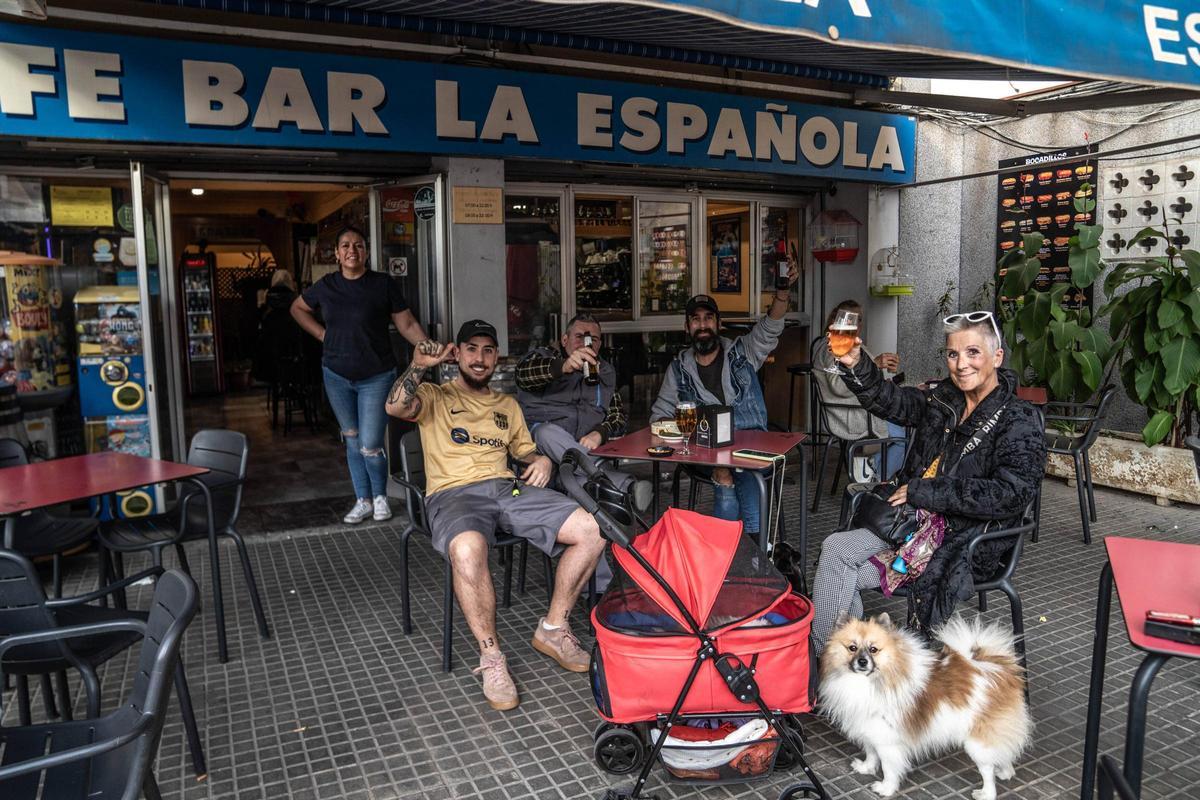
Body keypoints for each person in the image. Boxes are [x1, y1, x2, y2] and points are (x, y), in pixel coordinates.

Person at [385, 319, 606, 711]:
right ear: (457, 354)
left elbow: (524, 450)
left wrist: (541, 460)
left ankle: (553, 629)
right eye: (472, 348)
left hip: (507, 490)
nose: (480, 357)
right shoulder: (435, 395)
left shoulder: (507, 405)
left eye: (488, 350)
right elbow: (396, 405)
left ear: (496, 357)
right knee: (468, 549)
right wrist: (418, 364)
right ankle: (491, 657)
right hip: (454, 496)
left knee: (593, 526)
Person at [809, 311, 1046, 651]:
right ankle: (845, 673)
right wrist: (855, 363)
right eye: (953, 354)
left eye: (973, 353)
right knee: (838, 560)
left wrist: (926, 491)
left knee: (837, 563)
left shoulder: (1018, 419)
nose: (961, 364)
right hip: (907, 524)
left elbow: (1011, 494)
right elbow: (890, 401)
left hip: (960, 540)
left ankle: (829, 667)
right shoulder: (944, 398)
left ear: (997, 356)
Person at [291, 225, 437, 525]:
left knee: (370, 443)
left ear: (366, 251)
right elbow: (298, 308)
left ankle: (380, 496)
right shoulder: (326, 286)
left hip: (376, 375)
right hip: (336, 374)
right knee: (352, 437)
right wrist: (321, 334)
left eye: (358, 245)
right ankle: (363, 500)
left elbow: (406, 323)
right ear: (337, 253)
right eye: (345, 246)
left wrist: (427, 348)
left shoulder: (382, 284)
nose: (352, 251)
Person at [649, 261, 798, 539]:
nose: (702, 325)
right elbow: (659, 416)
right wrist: (682, 431)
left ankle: (738, 551)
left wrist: (782, 295)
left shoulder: (743, 352)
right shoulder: (678, 368)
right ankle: (752, 550)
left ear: (719, 324)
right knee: (726, 468)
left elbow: (770, 328)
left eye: (708, 318)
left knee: (739, 470)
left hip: (751, 445)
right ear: (687, 327)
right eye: (696, 319)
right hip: (706, 452)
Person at [516, 312, 652, 513]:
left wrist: (600, 432)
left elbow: (618, 417)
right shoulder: (544, 357)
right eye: (579, 337)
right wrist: (564, 366)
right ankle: (625, 486)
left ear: (599, 343)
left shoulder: (603, 371)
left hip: (574, 463)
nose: (586, 343)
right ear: (564, 339)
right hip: (541, 455)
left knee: (574, 481)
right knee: (545, 432)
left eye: (593, 339)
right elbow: (524, 374)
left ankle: (612, 489)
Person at [812, 299, 907, 480]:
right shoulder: (830, 348)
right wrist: (875, 364)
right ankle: (874, 479)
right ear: (837, 320)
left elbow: (869, 381)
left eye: (859, 319)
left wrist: (890, 381)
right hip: (854, 413)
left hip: (868, 408)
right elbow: (839, 387)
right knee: (906, 437)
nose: (857, 324)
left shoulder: (856, 346)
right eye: (851, 319)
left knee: (911, 422)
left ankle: (874, 472)